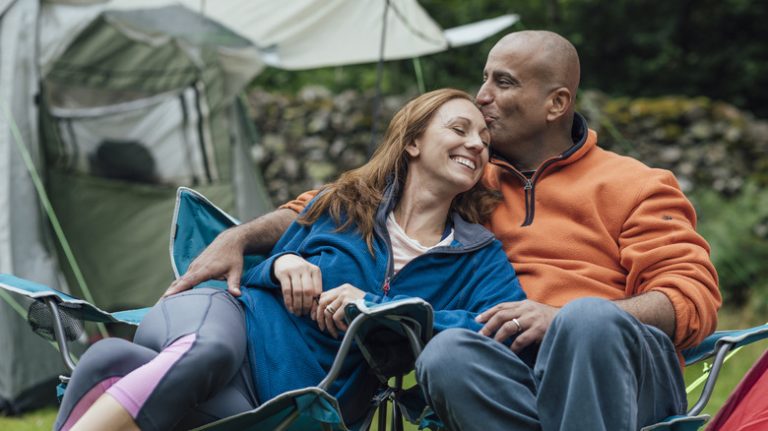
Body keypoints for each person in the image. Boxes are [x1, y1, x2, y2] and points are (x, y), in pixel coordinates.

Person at [165, 30, 722, 430]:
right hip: (516, 378)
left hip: (617, 375)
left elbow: (691, 299)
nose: (483, 97)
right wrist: (238, 237)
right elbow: (339, 204)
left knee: (586, 320)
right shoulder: (469, 181)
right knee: (447, 355)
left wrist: (561, 318)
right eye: (483, 80)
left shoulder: (637, 184)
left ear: (556, 103)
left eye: (502, 84)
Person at [55, 88, 526, 431]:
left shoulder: (477, 256)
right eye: (459, 129)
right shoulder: (345, 204)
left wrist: (383, 309)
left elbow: (495, 335)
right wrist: (282, 265)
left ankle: (109, 366)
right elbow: (261, 267)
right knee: (208, 352)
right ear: (413, 142)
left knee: (117, 363)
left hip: (277, 401)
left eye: (484, 139)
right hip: (228, 321)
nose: (476, 144)